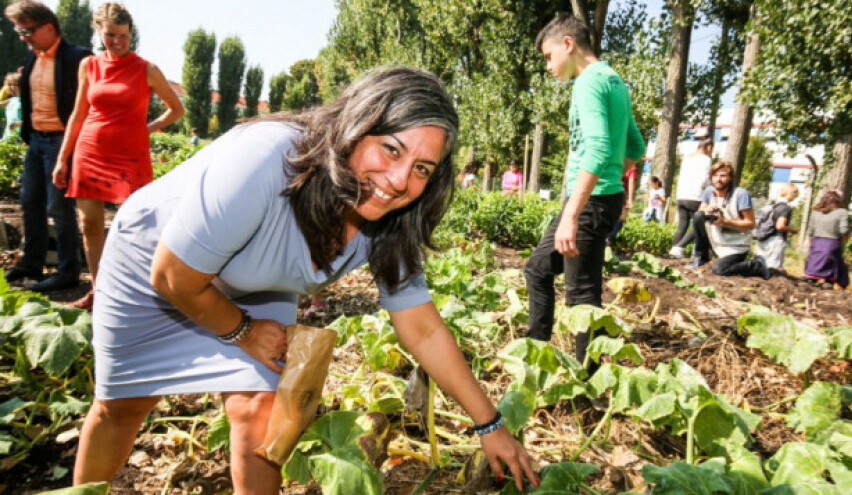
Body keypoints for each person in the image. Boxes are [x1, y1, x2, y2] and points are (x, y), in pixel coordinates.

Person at [73, 67, 539, 494]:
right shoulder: (268, 157)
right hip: (158, 262)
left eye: (422, 169)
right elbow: (174, 275)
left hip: (255, 283)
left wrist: (489, 425)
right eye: (391, 148)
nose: (399, 180)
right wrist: (243, 330)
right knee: (125, 407)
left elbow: (423, 327)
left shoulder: (393, 223)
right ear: (355, 127)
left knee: (262, 409)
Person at [527, 13, 646, 365]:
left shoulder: (589, 82)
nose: (548, 66)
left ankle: (587, 384)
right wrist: (610, 178)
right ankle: (536, 354)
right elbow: (635, 148)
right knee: (539, 269)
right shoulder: (615, 81)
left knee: (580, 294)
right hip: (601, 198)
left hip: (589, 204)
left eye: (549, 57)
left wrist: (573, 214)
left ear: (569, 44)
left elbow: (596, 147)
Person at [52, 3, 184, 311]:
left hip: (130, 157)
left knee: (137, 225)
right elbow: (78, 114)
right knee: (89, 224)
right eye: (111, 35)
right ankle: (99, 292)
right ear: (99, 31)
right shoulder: (89, 65)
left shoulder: (146, 69)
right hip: (89, 151)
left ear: (131, 34)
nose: (118, 42)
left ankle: (138, 291)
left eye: (124, 36)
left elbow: (177, 109)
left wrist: (149, 128)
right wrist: (63, 158)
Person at [3, 0, 91, 291]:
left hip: (61, 142)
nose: (23, 38)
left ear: (49, 27)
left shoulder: (78, 58)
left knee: (59, 207)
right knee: (30, 201)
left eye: (28, 31)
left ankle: (68, 271)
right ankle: (31, 263)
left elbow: (87, 105)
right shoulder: (33, 58)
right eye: (20, 33)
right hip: (37, 141)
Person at [690, 160, 769, 279]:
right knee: (697, 216)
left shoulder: (740, 194)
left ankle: (756, 265)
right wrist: (708, 210)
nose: (718, 179)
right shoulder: (709, 192)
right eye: (715, 176)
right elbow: (700, 214)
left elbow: (751, 224)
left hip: (736, 244)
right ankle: (702, 256)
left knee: (719, 270)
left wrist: (725, 221)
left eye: (723, 176)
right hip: (716, 239)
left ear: (730, 177)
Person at [669, 137, 713, 258]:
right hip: (696, 196)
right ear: (708, 147)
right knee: (700, 223)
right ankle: (681, 248)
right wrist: (709, 189)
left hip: (682, 196)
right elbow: (704, 179)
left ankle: (674, 251)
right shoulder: (705, 159)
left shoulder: (687, 158)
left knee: (682, 225)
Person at [804, 189, 850, 289]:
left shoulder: (815, 212)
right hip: (832, 244)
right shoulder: (842, 212)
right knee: (831, 273)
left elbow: (810, 231)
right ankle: (828, 285)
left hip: (817, 244)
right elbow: (844, 231)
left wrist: (812, 244)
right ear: (838, 200)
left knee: (812, 272)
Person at [754, 183, 799, 271]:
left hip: (762, 238)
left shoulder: (771, 205)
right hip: (775, 240)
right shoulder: (785, 208)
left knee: (760, 267)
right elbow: (780, 226)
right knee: (773, 270)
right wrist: (792, 229)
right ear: (793, 195)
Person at [606, 160, 637, 244]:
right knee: (621, 219)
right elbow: (631, 182)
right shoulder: (631, 167)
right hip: (620, 195)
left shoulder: (615, 162)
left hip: (606, 192)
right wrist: (630, 199)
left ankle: (604, 239)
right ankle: (607, 238)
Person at [1, 72, 23, 140]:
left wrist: (17, 124)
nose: (13, 87)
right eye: (10, 84)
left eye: (16, 84)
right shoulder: (11, 100)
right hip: (8, 135)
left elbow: (32, 119)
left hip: (21, 136)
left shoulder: (27, 100)